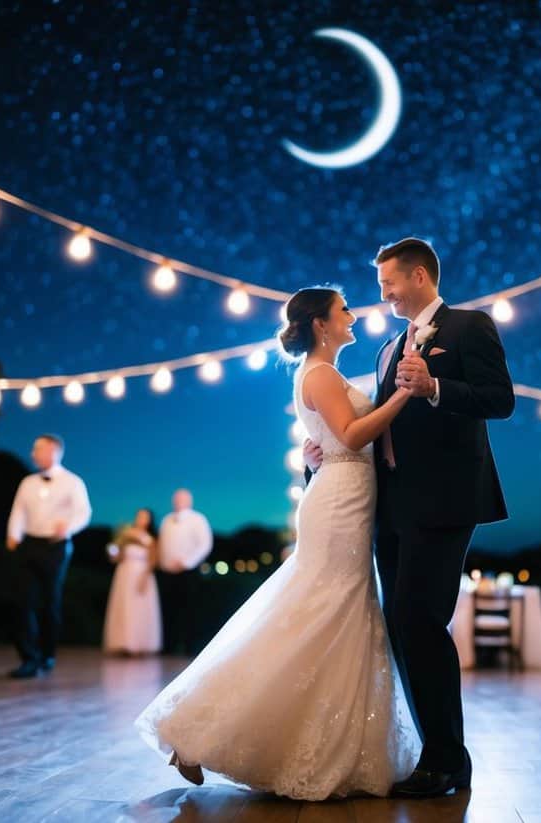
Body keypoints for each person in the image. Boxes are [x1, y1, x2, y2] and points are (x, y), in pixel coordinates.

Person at [135, 286, 421, 800]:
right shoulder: (321, 374)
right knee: (317, 611)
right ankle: (197, 730)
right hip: (338, 503)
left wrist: (322, 455)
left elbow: (336, 438)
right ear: (320, 324)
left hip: (345, 496)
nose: (353, 316)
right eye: (343, 310)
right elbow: (354, 437)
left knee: (333, 613)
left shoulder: (319, 374)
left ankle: (326, 744)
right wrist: (402, 394)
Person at [307, 238, 514, 797]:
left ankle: (448, 761)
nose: (383, 295)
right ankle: (433, 754)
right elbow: (377, 429)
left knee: (421, 621)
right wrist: (324, 457)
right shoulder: (386, 350)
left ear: (418, 276)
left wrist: (435, 386)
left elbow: (500, 399)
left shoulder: (471, 327)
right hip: (390, 506)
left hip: (446, 501)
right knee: (401, 626)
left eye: (388, 283)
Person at [5, 434, 92, 679]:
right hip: (28, 543)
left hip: (56, 546)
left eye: (38, 449)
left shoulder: (73, 482)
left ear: (54, 451)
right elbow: (18, 511)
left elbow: (83, 512)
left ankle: (47, 654)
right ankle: (28, 657)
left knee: (49, 602)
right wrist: (13, 534)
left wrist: (69, 527)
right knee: (22, 600)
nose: (33, 454)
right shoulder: (28, 482)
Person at [157, 489, 213, 655]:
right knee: (168, 610)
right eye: (176, 498)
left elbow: (205, 544)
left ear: (189, 501)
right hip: (167, 572)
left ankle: (190, 647)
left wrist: (186, 562)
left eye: (182, 499)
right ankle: (169, 646)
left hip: (188, 572)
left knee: (189, 610)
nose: (178, 501)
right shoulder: (166, 520)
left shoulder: (198, 519)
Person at [103, 507, 162, 655]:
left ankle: (139, 644)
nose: (141, 519)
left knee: (139, 609)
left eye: (145, 517)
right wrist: (113, 551)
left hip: (141, 574)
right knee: (124, 607)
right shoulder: (126, 535)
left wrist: (145, 577)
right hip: (124, 575)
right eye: (140, 516)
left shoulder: (151, 538)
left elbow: (153, 560)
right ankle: (123, 643)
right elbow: (117, 557)